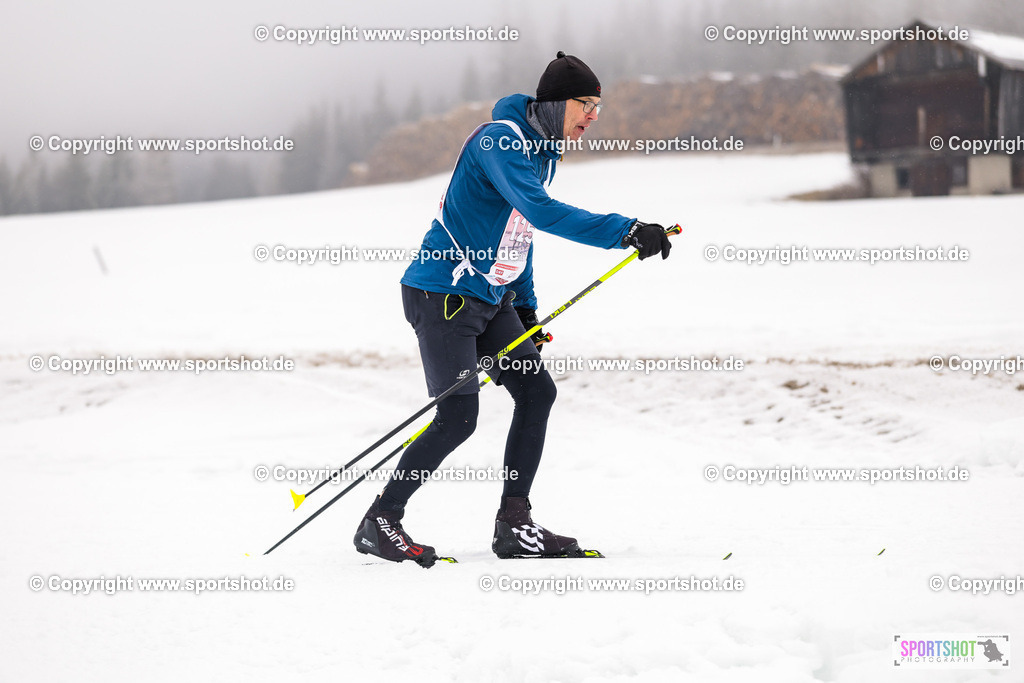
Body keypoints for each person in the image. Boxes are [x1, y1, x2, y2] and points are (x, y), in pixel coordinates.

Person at [353, 51, 673, 567]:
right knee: (458, 417)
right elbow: (541, 214)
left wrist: (525, 311)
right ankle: (380, 521)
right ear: (553, 103)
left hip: (490, 296)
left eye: (598, 107)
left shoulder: (542, 151)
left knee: (536, 391)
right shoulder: (498, 140)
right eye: (585, 104)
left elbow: (517, 234)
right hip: (444, 293)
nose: (592, 116)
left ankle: (513, 525)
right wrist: (626, 231)